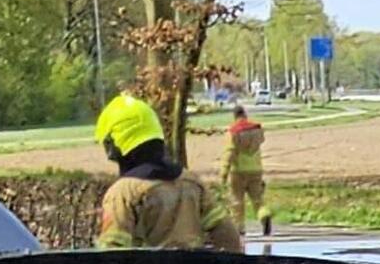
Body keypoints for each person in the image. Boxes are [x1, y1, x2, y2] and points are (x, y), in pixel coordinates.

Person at [92, 91, 240, 251]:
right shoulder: (190, 181)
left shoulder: (123, 194)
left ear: (114, 144)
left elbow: (112, 254)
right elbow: (225, 232)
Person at [223, 100, 269, 246]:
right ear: (245, 115)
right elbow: (260, 141)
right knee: (258, 199)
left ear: (235, 116)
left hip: (238, 171)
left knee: (237, 201)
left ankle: (239, 228)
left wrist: (224, 173)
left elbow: (229, 153)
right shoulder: (257, 129)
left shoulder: (234, 132)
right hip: (256, 169)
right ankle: (264, 216)